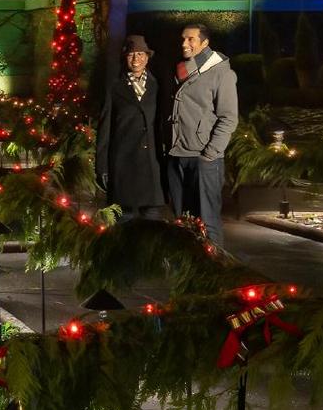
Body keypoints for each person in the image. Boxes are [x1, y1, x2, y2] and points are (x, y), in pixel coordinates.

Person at [165, 22, 239, 246]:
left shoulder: (221, 74)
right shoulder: (182, 69)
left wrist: (210, 153)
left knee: (207, 221)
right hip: (177, 154)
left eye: (191, 39)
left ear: (205, 43)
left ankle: (215, 270)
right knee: (183, 220)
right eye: (183, 39)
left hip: (204, 158)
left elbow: (229, 117)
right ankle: (189, 269)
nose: (184, 43)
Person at [93, 34, 165, 219]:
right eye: (131, 54)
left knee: (151, 227)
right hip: (124, 165)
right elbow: (105, 128)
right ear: (125, 58)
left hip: (151, 166)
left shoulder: (157, 86)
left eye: (140, 54)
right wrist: (102, 166)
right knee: (124, 223)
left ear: (147, 57)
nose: (136, 59)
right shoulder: (115, 87)